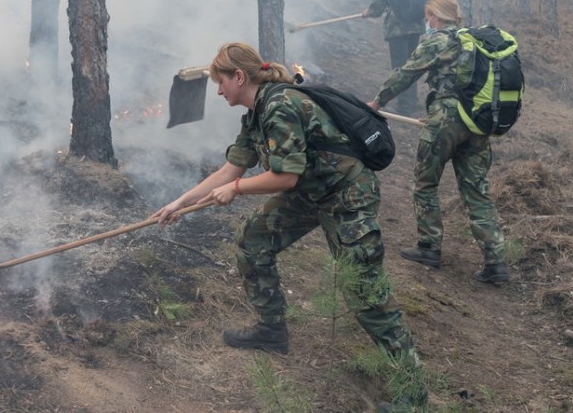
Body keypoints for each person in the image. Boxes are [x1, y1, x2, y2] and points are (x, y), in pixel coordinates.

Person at [152, 42, 428, 409]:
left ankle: (413, 396)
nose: (218, 91)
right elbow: (231, 168)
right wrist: (181, 203)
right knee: (253, 240)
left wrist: (236, 190)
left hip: (347, 197)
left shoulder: (280, 106)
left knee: (365, 292)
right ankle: (271, 330)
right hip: (312, 193)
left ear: (239, 77)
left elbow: (285, 177)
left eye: (221, 83)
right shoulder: (256, 113)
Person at [367, 0, 510, 284]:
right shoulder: (475, 43)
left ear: (436, 16)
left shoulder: (438, 40)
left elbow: (407, 73)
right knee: (477, 192)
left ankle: (429, 247)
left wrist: (377, 102)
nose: (426, 21)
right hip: (477, 123)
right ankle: (496, 262)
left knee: (425, 183)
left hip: (446, 120)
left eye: (427, 16)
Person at [362, 0, 432, 116]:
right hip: (415, 26)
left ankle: (404, 106)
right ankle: (411, 101)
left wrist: (367, 12)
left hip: (397, 29)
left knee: (400, 67)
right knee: (412, 64)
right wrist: (419, 5)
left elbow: (377, 9)